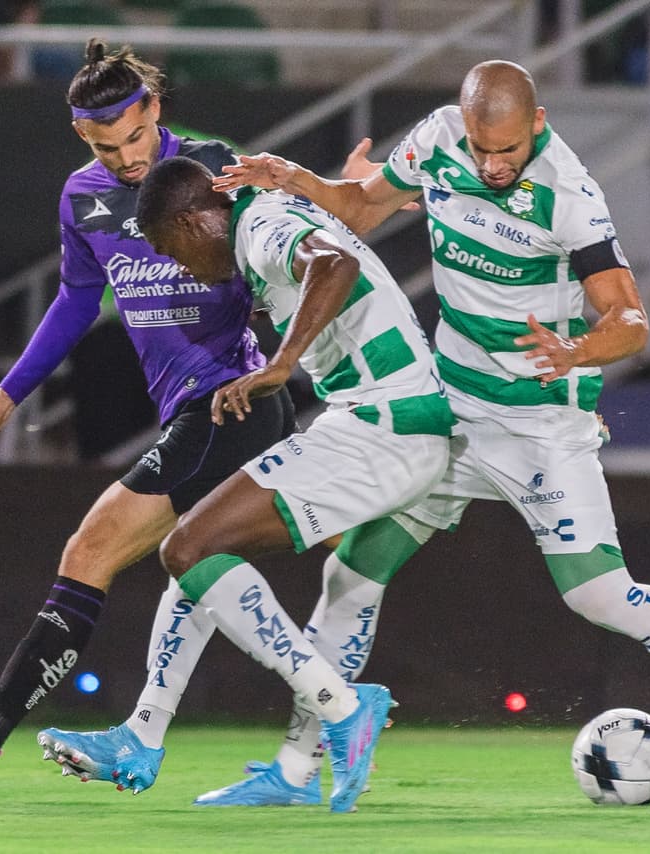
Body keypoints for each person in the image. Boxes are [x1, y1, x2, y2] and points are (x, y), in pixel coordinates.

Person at [212, 59, 650, 810]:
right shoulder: (438, 140)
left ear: (536, 123)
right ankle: (296, 774)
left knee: (601, 597)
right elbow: (360, 208)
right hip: (450, 408)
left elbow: (629, 320)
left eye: (507, 150)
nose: (492, 165)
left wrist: (578, 350)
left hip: (539, 425)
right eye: (481, 148)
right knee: (353, 572)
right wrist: (298, 180)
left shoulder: (570, 194)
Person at [0, 41, 300, 788]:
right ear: (84, 137)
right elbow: (77, 301)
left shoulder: (213, 165)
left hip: (235, 401)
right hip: (191, 411)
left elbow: (298, 244)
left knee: (93, 548)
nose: (124, 159)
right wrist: (7, 395)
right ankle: (323, 713)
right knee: (200, 578)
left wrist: (350, 193)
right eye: (105, 146)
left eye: (134, 138)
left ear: (154, 109)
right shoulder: (83, 195)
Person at [37, 155, 456, 813]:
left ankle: (345, 708)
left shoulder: (258, 224)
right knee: (215, 557)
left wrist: (282, 364)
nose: (176, 263)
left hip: (384, 427)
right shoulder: (264, 225)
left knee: (187, 549)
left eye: (169, 247)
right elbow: (324, 253)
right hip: (402, 425)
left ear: (198, 219)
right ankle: (173, 743)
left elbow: (334, 265)